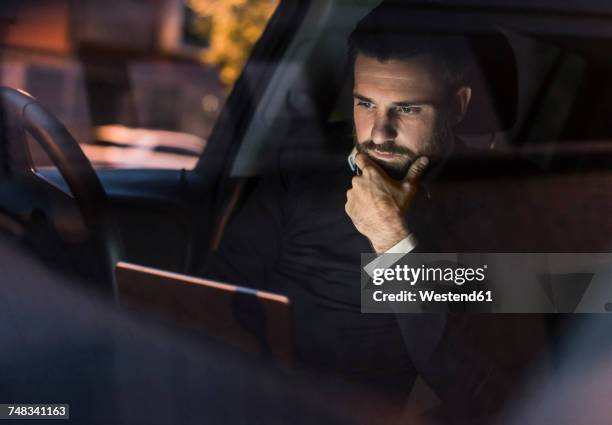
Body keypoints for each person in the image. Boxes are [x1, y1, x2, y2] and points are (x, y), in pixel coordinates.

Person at [201, 2, 548, 423]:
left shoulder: (503, 207)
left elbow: (475, 381)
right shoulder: (305, 166)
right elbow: (219, 293)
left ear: (458, 106)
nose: (379, 133)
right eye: (366, 104)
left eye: (407, 109)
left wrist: (393, 242)